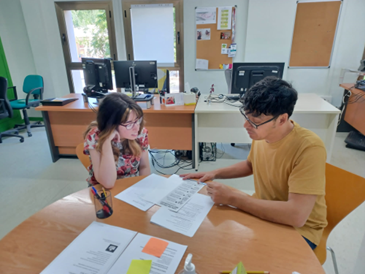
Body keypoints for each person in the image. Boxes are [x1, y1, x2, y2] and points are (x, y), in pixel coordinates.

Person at [181, 77, 327, 250]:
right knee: (212, 239)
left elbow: (296, 216)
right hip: (263, 211)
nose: (246, 125)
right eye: (246, 117)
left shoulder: (309, 147)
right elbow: (251, 164)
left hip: (299, 231)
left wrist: (234, 198)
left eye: (254, 122)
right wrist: (215, 173)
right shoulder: (263, 134)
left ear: (281, 120)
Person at [83, 93, 151, 189]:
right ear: (111, 124)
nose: (136, 128)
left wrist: (143, 189)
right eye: (129, 124)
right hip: (103, 190)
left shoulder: (141, 132)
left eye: (137, 120)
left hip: (131, 187)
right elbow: (108, 183)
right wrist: (106, 142)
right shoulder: (95, 136)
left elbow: (144, 167)